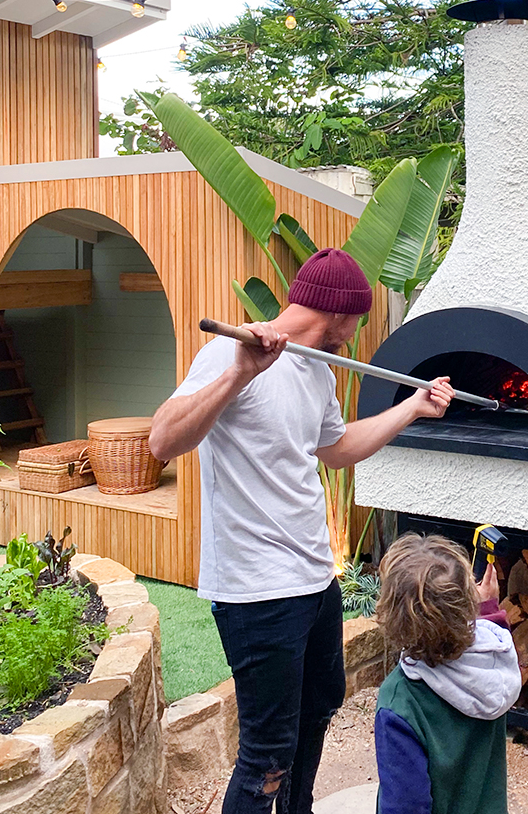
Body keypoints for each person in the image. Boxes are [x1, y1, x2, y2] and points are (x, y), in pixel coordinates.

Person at [148, 247, 455, 814]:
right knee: (266, 753)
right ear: (339, 314)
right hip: (257, 588)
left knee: (318, 709)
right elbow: (162, 441)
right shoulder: (230, 352)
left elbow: (336, 452)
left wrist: (412, 409)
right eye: (357, 319)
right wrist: (239, 374)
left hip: (314, 576)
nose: (358, 331)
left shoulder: (314, 368)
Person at [374, 532, 522, 814]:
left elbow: (404, 806)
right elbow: (487, 637)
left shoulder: (400, 701)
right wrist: (488, 610)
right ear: (466, 604)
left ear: (393, 617)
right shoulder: (493, 665)